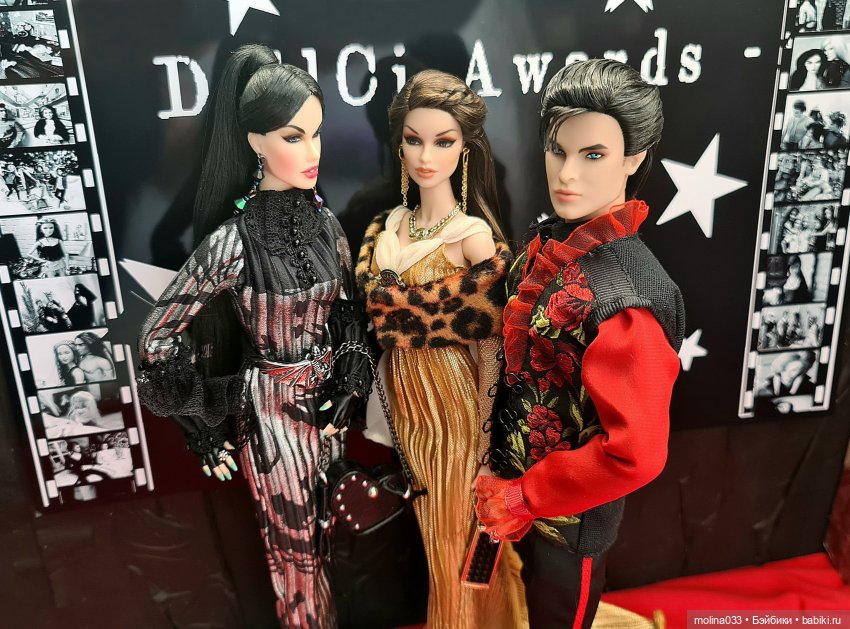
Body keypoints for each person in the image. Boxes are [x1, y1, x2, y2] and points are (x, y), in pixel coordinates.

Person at [135, 44, 371, 628]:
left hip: (327, 413)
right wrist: (202, 426)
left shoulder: (326, 224)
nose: (312, 152)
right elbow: (156, 338)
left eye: (317, 134)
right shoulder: (232, 242)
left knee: (327, 541)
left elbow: (348, 312)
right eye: (294, 137)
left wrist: (350, 380)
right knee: (293, 554)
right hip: (271, 417)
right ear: (255, 141)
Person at [474, 59, 684, 629]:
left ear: (634, 158)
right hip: (507, 483)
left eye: (593, 155)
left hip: (568, 517)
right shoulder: (551, 245)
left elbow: (635, 453)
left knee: (558, 613)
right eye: (556, 150)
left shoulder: (628, 297)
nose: (567, 173)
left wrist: (529, 495)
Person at [355, 69, 527, 629]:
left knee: (457, 531)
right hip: (408, 402)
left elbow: (493, 348)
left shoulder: (471, 236)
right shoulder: (389, 225)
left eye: (443, 141)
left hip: (454, 401)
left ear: (464, 149)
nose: (426, 156)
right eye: (414, 140)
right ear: (398, 143)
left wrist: (485, 440)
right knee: (433, 530)